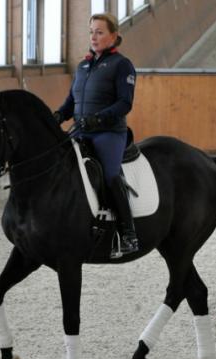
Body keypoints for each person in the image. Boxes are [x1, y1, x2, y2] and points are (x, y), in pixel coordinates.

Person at [54, 13, 139, 258]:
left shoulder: (122, 65)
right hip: (81, 130)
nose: (94, 36)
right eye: (91, 31)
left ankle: (127, 233)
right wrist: (59, 115)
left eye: (100, 32)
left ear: (114, 36)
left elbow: (125, 103)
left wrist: (98, 118)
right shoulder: (83, 66)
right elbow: (72, 100)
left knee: (110, 174)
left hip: (108, 133)